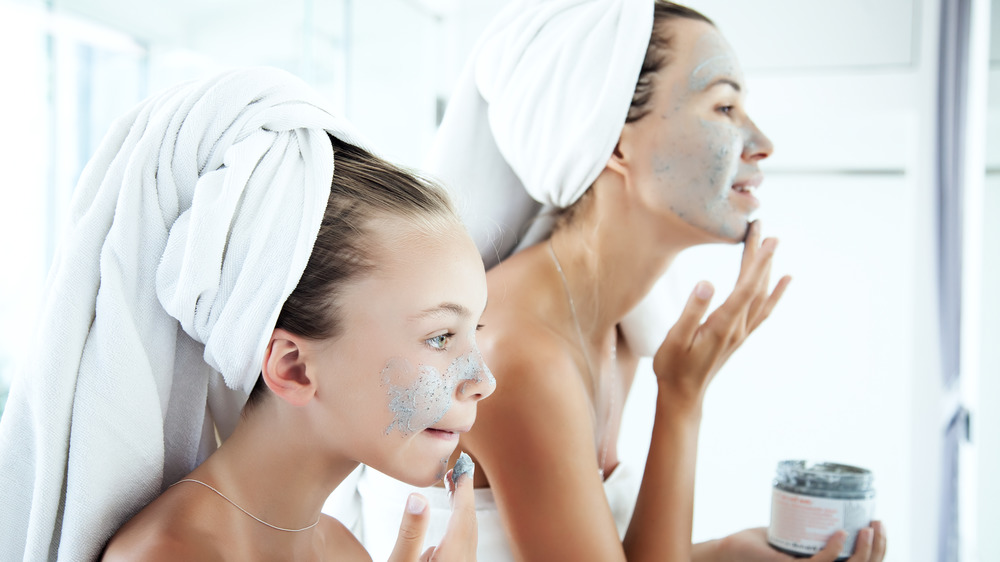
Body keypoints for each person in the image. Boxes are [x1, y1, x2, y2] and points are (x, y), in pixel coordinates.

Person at [351, 1, 888, 561]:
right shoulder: (518, 351)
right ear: (614, 140)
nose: (761, 142)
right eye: (724, 106)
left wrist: (730, 553)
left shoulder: (616, 327)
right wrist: (681, 399)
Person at [0, 67, 491, 561]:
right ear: (293, 367)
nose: (483, 379)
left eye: (476, 330)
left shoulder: (343, 549)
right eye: (441, 337)